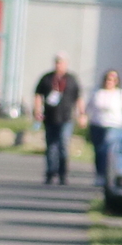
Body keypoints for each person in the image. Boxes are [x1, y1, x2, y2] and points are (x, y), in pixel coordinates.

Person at [37, 55, 82, 185]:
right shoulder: (47, 78)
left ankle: (63, 173)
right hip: (50, 117)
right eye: (57, 63)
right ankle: (50, 173)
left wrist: (81, 114)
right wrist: (38, 110)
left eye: (61, 63)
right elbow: (38, 94)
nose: (58, 65)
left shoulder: (72, 79)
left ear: (66, 64)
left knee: (63, 145)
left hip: (66, 118)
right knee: (51, 146)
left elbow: (78, 97)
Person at [87, 68, 122, 190]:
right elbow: (89, 107)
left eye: (113, 80)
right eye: (108, 79)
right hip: (97, 124)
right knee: (98, 151)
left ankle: (107, 175)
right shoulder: (97, 92)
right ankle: (100, 174)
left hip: (114, 125)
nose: (110, 81)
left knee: (106, 149)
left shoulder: (120, 94)